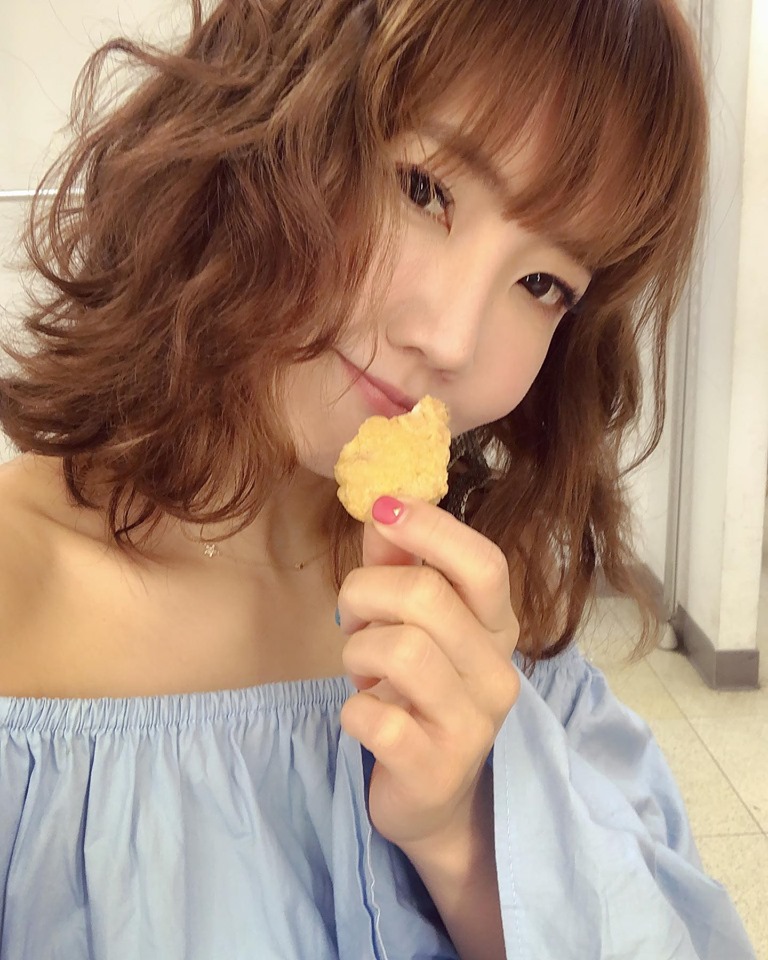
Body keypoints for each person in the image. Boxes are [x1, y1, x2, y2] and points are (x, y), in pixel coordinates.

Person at [0, 0, 758, 957]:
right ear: (260, 118)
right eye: (423, 187)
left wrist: (463, 840)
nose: (450, 339)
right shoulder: (19, 601)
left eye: (543, 284)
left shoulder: (492, 613)